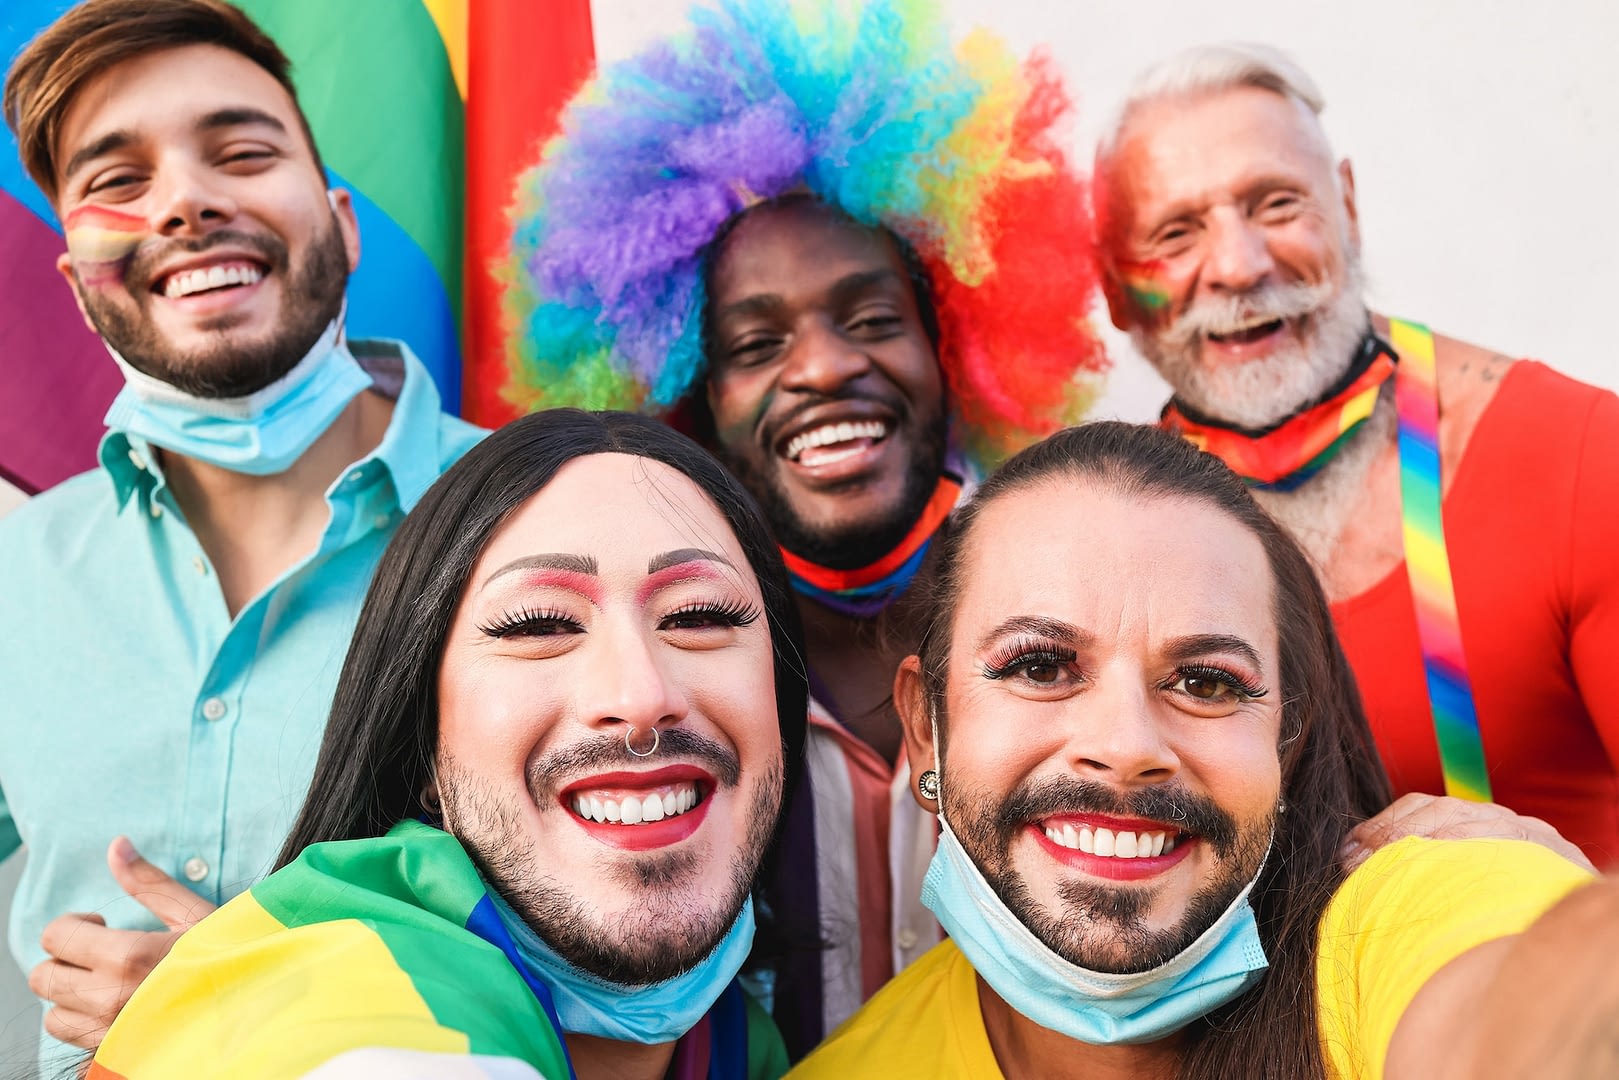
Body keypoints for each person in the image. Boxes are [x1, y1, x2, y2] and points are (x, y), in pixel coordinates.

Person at [502, 0, 1106, 1052]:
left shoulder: (1086, 643)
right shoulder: (638, 700)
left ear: (956, 347)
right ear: (688, 397)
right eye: (755, 341)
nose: (823, 368)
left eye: (871, 319)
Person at [794, 421, 1607, 1079]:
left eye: (1207, 683)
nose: (1124, 746)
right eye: (1039, 666)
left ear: (1286, 739)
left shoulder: (1408, 913)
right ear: (926, 725)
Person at [0, 0, 483, 1063]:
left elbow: (659, 953)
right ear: (80, 288)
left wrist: (258, 990)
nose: (183, 202)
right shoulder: (13, 577)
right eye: (117, 182)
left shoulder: (547, 523)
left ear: (343, 224)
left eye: (241, 152)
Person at [88, 409, 806, 1080]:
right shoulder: (358, 1020)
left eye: (698, 613)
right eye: (537, 625)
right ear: (423, 743)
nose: (640, 696)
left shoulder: (744, 1046)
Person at [1092, 43, 1619, 864]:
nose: (1238, 265)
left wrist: (1556, 878)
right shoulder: (1098, 531)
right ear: (1116, 288)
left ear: (1345, 203)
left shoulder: (1577, 451)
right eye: (1175, 232)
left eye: (1274, 204)